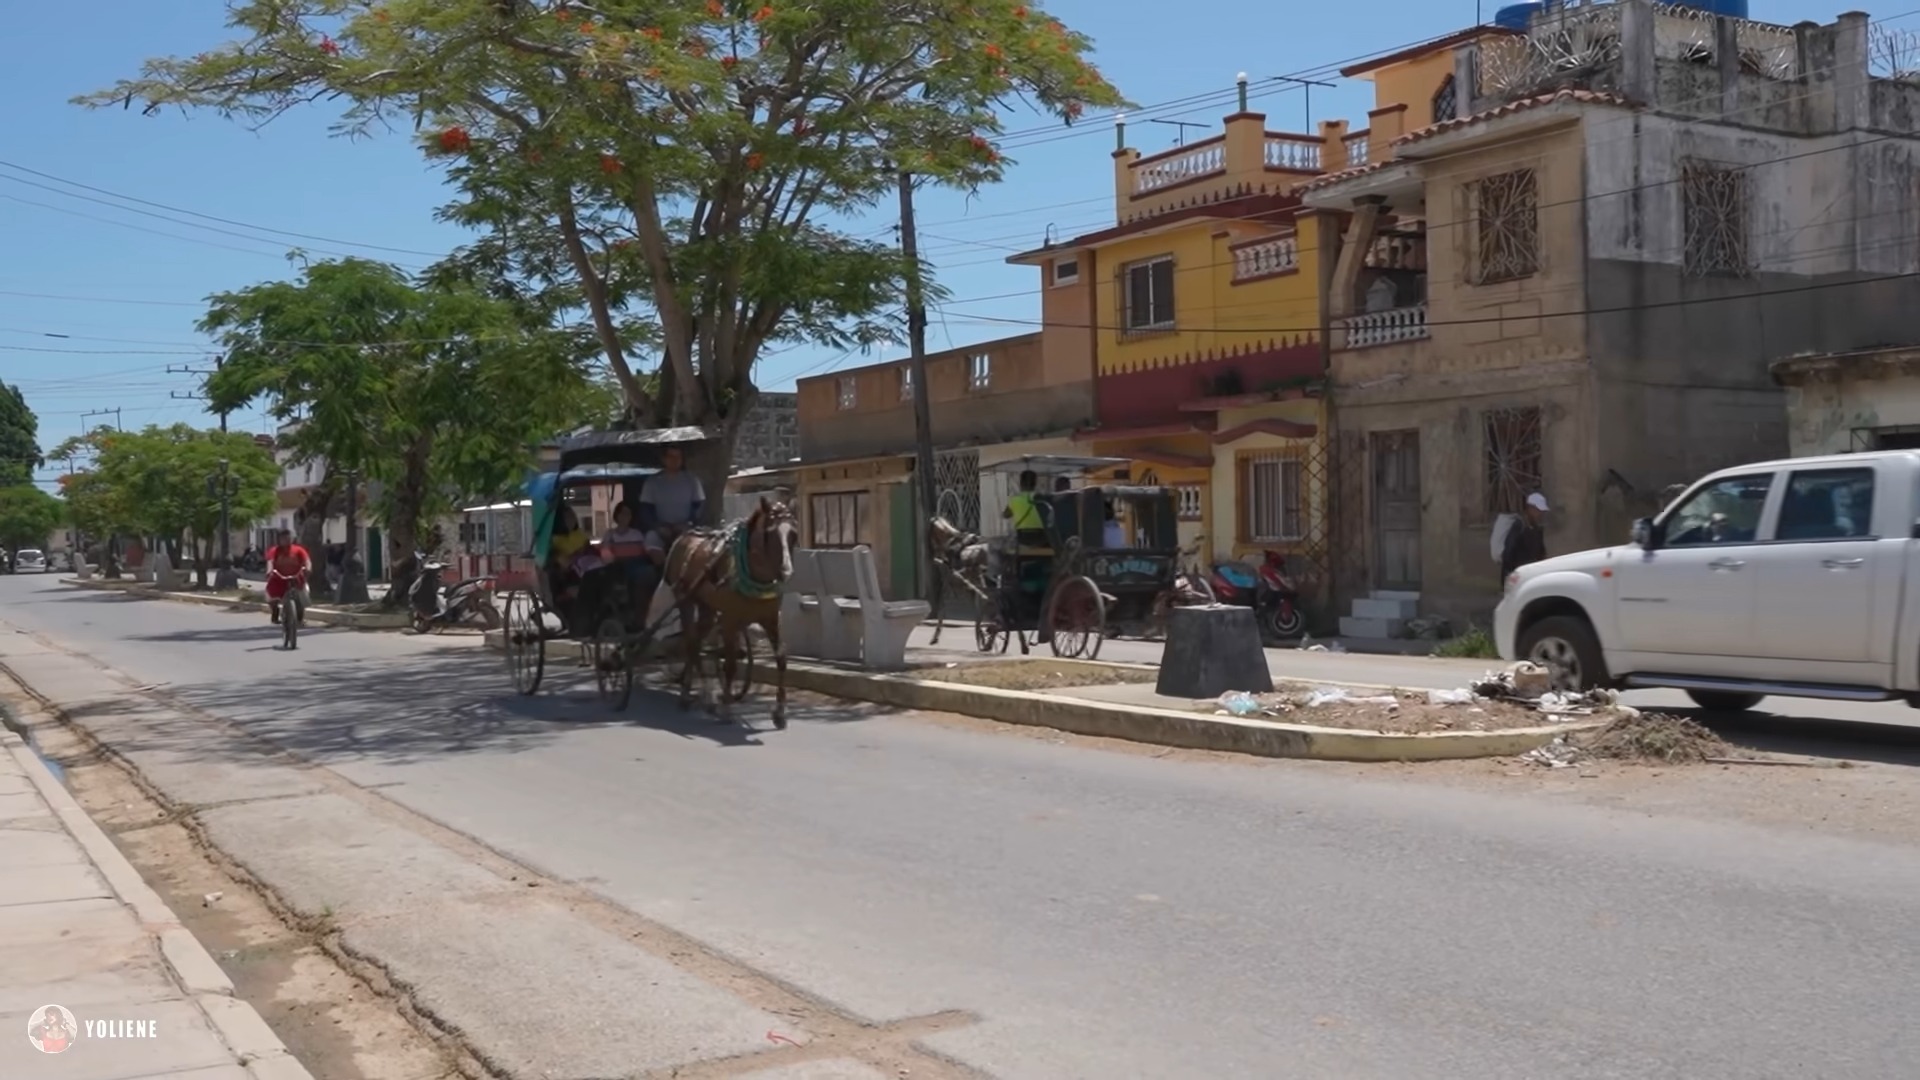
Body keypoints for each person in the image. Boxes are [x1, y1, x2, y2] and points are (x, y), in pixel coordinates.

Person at [638, 447, 705, 565]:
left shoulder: (692, 480)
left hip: (686, 528)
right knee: (651, 540)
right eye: (671, 457)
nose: (675, 460)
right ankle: (663, 572)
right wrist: (657, 527)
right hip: (660, 529)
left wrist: (688, 523)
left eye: (678, 457)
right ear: (664, 459)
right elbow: (646, 509)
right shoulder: (652, 482)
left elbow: (699, 506)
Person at [263, 529, 312, 627]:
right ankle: (275, 612)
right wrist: (269, 571)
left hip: (296, 578)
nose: (286, 540)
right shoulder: (275, 550)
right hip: (279, 578)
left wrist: (308, 568)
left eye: (288, 537)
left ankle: (300, 619)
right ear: (279, 540)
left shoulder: (298, 550)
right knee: (272, 596)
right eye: (283, 538)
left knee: (301, 598)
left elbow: (307, 560)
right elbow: (270, 562)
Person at [1500, 492, 1550, 579]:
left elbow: (1540, 551)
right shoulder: (1519, 526)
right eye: (1538, 510)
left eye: (1541, 511)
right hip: (1519, 573)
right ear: (1530, 508)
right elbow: (1508, 551)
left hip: (1530, 572)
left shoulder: (1536, 527)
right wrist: (1508, 574)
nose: (1540, 514)